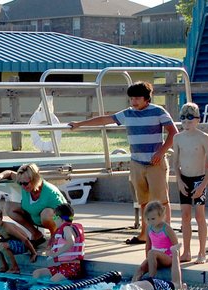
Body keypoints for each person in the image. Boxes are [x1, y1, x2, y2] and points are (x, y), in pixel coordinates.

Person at [70, 81, 177, 245]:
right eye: (131, 98)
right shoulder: (128, 113)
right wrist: (80, 124)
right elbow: (106, 119)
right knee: (143, 202)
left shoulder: (158, 111)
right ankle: (144, 234)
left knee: (161, 200)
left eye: (137, 98)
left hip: (156, 162)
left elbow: (173, 133)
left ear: (147, 98)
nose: (134, 102)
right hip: (136, 162)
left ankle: (165, 234)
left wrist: (161, 153)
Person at [171, 103, 208, 264]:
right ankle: (187, 251)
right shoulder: (178, 138)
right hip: (184, 180)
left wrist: (202, 186)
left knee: (199, 215)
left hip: (198, 180)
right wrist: (179, 182)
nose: (186, 124)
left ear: (197, 120)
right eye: (183, 120)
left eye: (190, 120)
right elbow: (175, 163)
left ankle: (202, 252)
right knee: (185, 216)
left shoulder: (203, 137)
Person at [0, 163, 67, 245]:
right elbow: (10, 173)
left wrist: (66, 232)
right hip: (34, 216)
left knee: (46, 213)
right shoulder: (24, 181)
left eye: (25, 183)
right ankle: (36, 234)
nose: (22, 186)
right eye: (20, 183)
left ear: (35, 179)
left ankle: (54, 237)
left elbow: (66, 215)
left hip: (52, 220)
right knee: (9, 207)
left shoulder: (50, 193)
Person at [100, 243, 184, 290]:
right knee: (176, 284)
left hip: (151, 286)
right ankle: (175, 252)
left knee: (177, 283)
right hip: (145, 284)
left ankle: (175, 252)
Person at [32, 203, 85, 282]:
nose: (53, 219)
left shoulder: (67, 228)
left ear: (61, 219)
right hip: (62, 267)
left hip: (72, 267)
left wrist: (55, 254)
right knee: (37, 273)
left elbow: (71, 242)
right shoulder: (63, 229)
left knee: (53, 280)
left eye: (55, 217)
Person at [0, 204, 38, 274]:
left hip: (23, 245)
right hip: (11, 242)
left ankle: (15, 268)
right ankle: (4, 266)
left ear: (0, 219)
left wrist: (33, 253)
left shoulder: (7, 228)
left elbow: (25, 239)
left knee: (2, 246)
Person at [132, 201, 178, 282]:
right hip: (154, 257)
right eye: (148, 219)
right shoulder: (149, 228)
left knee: (152, 253)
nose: (150, 221)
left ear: (161, 216)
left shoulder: (166, 228)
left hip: (167, 257)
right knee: (140, 269)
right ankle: (132, 286)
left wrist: (175, 263)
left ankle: (151, 280)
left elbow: (176, 245)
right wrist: (148, 261)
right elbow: (148, 245)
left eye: (153, 219)